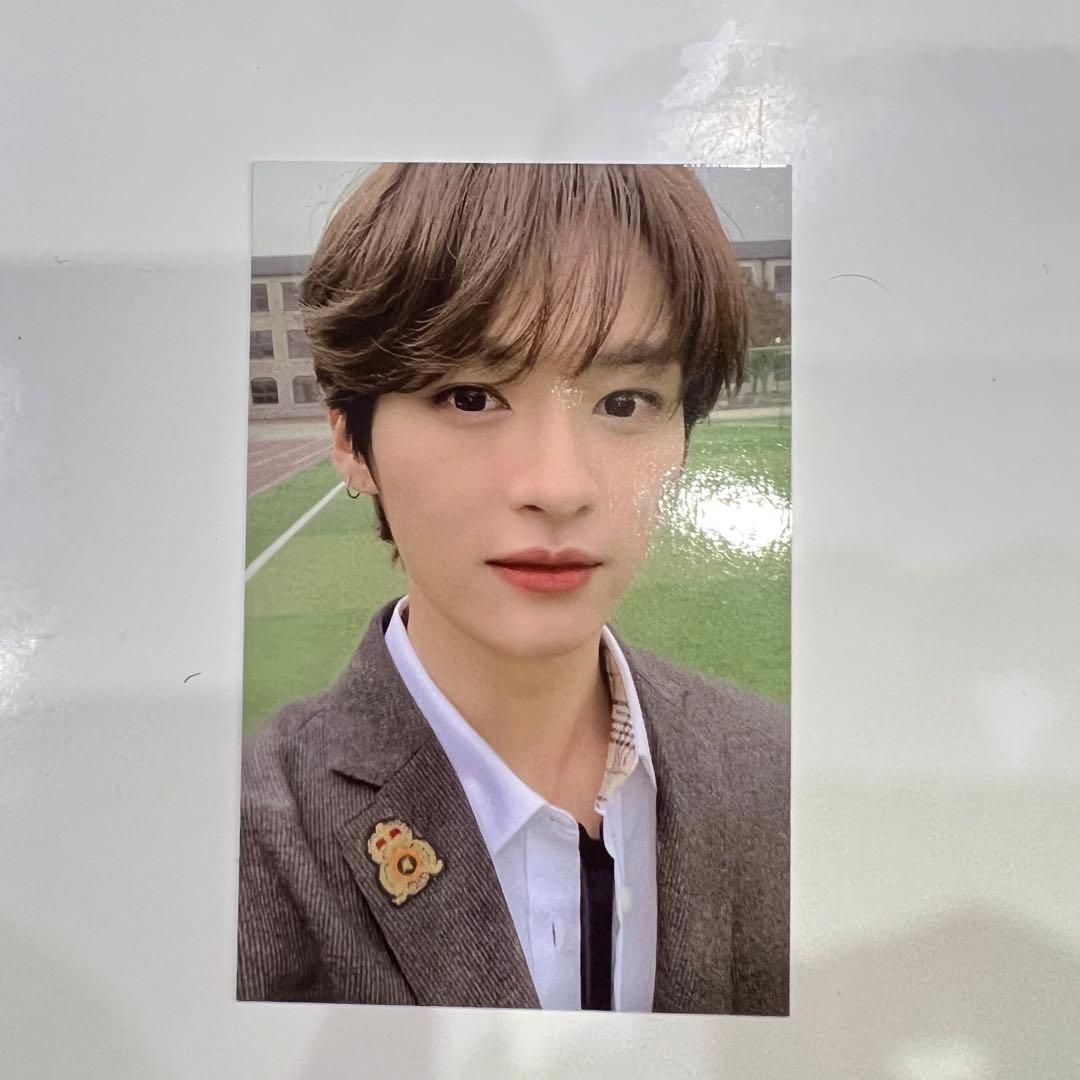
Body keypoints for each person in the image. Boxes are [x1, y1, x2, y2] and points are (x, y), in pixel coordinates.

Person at [237, 162, 789, 1014]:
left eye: (625, 402)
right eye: (470, 396)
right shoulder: (245, 846)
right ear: (350, 437)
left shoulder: (776, 772)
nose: (558, 487)